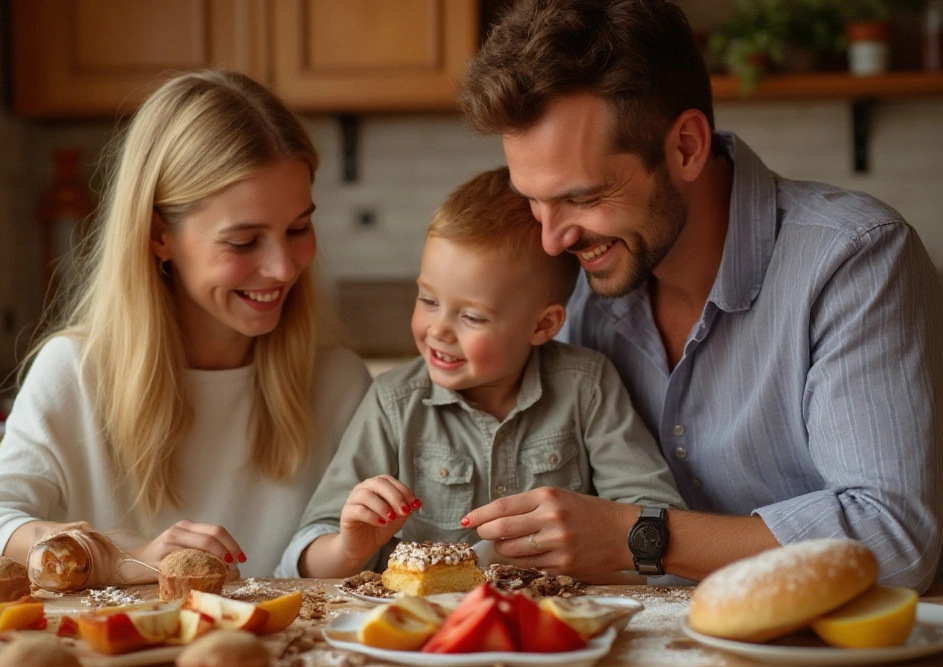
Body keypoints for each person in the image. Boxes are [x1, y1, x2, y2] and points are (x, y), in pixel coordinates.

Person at [456, 0, 943, 614]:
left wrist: (632, 535)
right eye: (534, 201)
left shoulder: (855, 259)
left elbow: (892, 541)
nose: (553, 239)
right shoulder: (583, 289)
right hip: (716, 650)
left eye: (583, 196)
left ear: (685, 146)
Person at [0, 70, 373, 581]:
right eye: (243, 241)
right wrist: (115, 555)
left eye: (298, 228)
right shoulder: (76, 372)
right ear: (158, 235)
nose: (283, 267)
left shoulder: (339, 383)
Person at [278, 167, 686, 580]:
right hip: (427, 630)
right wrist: (349, 547)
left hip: (556, 623)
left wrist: (604, 547)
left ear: (542, 326)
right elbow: (305, 556)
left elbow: (657, 518)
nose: (437, 330)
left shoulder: (587, 385)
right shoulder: (393, 402)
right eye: (428, 299)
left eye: (472, 316)